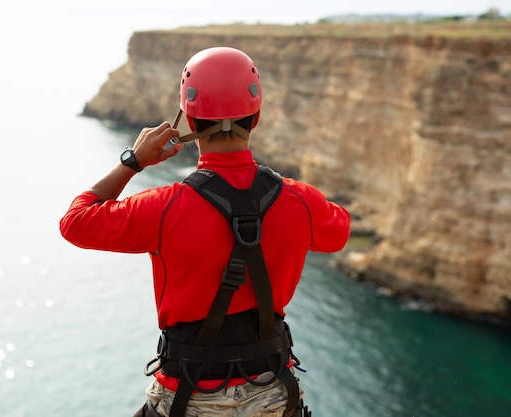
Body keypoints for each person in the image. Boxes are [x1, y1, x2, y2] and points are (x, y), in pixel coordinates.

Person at [59, 47, 350, 417]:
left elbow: (76, 222)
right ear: (256, 117)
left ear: (189, 123)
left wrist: (134, 162)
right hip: (275, 396)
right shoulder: (299, 201)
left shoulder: (163, 208)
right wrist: (296, 195)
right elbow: (339, 230)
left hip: (187, 399)